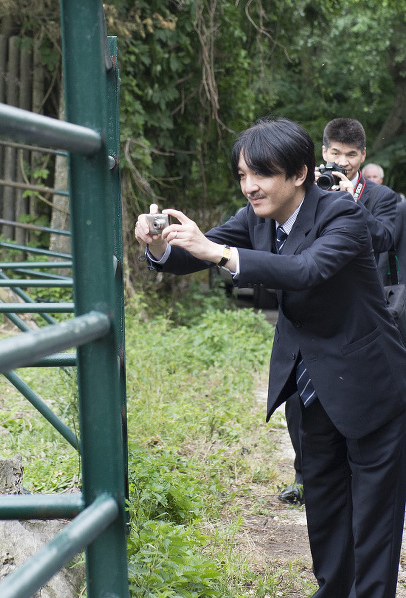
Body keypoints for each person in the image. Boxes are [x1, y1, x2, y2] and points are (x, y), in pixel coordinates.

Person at [135, 116, 406, 598]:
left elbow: (306, 269)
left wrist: (217, 253)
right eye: (242, 175)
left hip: (368, 380)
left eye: (261, 174)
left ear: (300, 173)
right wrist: (160, 246)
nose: (250, 186)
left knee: (374, 515)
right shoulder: (255, 218)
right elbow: (196, 252)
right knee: (322, 503)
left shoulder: (343, 215)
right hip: (307, 382)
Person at [279, 118, 400, 504]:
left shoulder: (384, 198)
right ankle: (305, 474)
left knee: (360, 398)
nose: (343, 161)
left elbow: (384, 237)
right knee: (302, 400)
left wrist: (349, 201)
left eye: (351, 154)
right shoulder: (306, 191)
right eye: (335, 153)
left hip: (368, 313)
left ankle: (359, 474)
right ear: (324, 152)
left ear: (363, 156)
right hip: (316, 309)